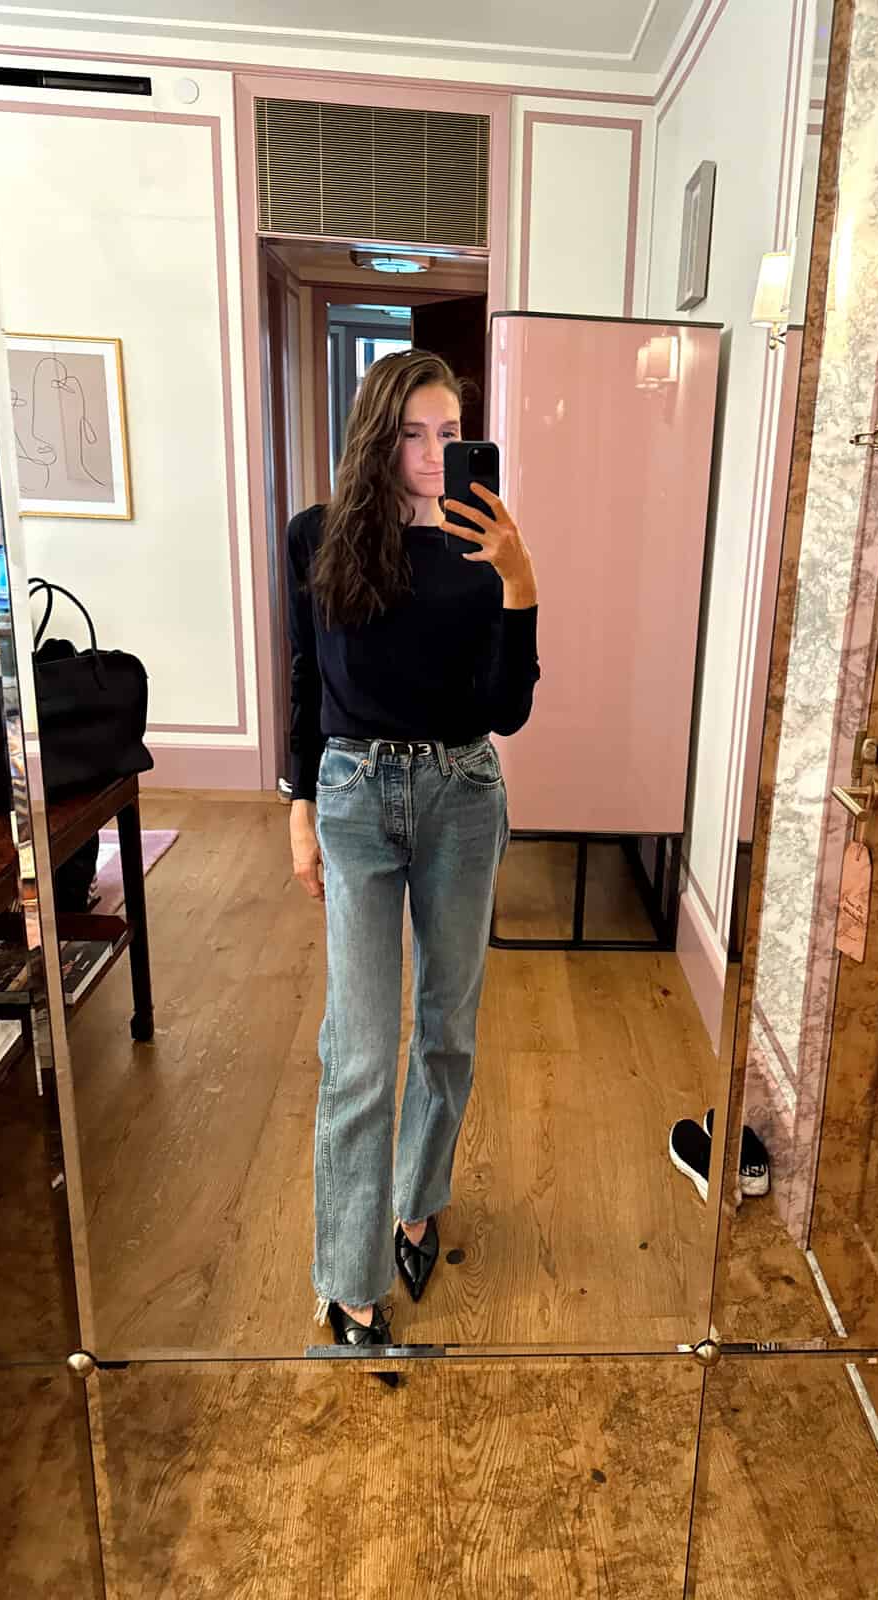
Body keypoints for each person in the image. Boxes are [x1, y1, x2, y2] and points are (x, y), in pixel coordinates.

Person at [285, 350, 540, 1347]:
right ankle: (349, 1283)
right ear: (377, 437)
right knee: (357, 1049)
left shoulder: (484, 550)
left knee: (447, 1026)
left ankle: (418, 1202)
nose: (436, 453)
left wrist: (519, 583)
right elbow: (305, 679)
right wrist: (295, 806)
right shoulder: (318, 537)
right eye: (414, 433)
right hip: (352, 795)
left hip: (462, 793)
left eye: (452, 433)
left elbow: (505, 710)